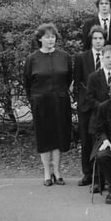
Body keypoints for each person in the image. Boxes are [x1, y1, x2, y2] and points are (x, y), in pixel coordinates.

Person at [24, 23, 73, 186]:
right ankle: (46, 173)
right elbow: (27, 83)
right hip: (41, 102)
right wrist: (34, 100)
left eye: (53, 36)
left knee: (59, 136)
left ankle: (58, 172)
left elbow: (68, 79)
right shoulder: (32, 59)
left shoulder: (64, 56)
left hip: (60, 101)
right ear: (40, 39)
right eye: (47, 37)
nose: (50, 40)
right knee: (45, 137)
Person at [74, 25, 106, 186]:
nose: (98, 41)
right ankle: (88, 173)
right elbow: (77, 81)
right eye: (95, 38)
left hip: (104, 105)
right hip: (86, 106)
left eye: (101, 38)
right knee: (86, 140)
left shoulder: (110, 56)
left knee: (101, 139)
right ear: (90, 40)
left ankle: (103, 175)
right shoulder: (81, 58)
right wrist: (78, 101)